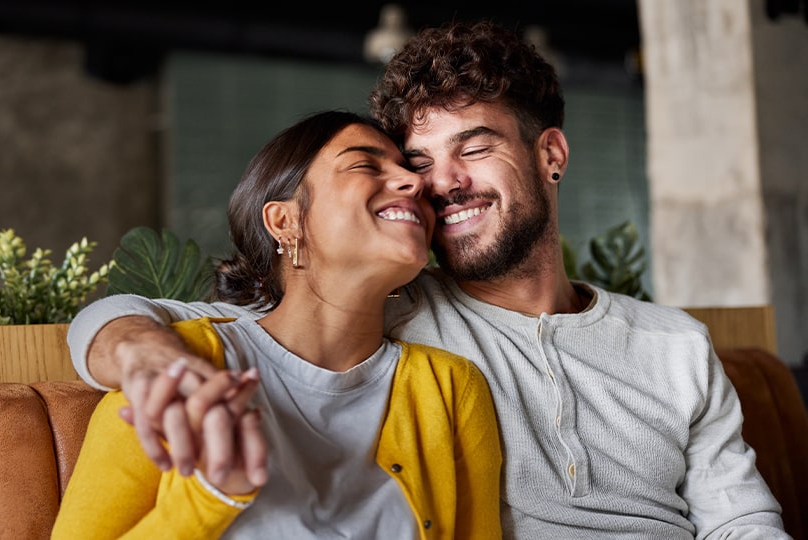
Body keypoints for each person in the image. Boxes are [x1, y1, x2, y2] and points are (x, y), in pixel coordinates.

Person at [65, 21, 791, 539]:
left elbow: (738, 518)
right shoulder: (395, 312)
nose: (438, 184)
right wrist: (144, 355)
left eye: (472, 148)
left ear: (551, 156)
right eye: (418, 163)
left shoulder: (675, 345)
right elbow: (182, 326)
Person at [52, 110, 503, 539]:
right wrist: (213, 496)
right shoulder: (179, 370)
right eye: (365, 165)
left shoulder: (449, 388)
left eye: (409, 172)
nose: (415, 182)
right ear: (285, 221)